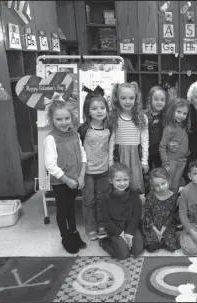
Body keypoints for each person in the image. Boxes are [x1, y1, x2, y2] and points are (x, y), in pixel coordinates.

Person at [44, 98, 87, 254]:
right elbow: (50, 165)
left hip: (74, 181)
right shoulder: (51, 139)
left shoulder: (75, 135)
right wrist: (66, 180)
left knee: (71, 209)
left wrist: (81, 176)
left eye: (66, 118)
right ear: (52, 119)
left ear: (72, 118)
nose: (63, 122)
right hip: (61, 183)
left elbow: (83, 156)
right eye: (58, 119)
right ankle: (65, 237)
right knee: (63, 210)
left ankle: (74, 233)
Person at [77, 91, 112, 241]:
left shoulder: (109, 127)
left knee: (102, 199)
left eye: (102, 108)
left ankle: (102, 225)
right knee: (88, 200)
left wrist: (111, 165)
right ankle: (90, 227)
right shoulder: (84, 129)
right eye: (94, 108)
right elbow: (79, 150)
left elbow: (110, 147)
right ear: (88, 112)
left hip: (103, 171)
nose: (99, 111)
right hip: (88, 172)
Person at [109, 82, 149, 194]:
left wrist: (144, 161)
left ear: (136, 98)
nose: (127, 101)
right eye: (123, 98)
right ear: (117, 98)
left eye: (131, 98)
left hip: (135, 155)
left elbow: (145, 140)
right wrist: (110, 161)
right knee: (119, 185)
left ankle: (135, 209)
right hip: (119, 155)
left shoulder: (142, 117)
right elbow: (111, 140)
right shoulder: (114, 116)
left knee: (134, 185)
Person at [99, 163, 144, 260]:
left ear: (129, 179)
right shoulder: (105, 197)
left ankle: (130, 238)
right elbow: (106, 219)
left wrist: (130, 232)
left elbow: (137, 215)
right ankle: (104, 241)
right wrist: (120, 233)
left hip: (130, 225)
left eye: (125, 180)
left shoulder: (134, 194)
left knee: (137, 250)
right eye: (118, 180)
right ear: (111, 180)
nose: (122, 183)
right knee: (123, 255)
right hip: (115, 228)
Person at [142, 168, 180, 252]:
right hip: (153, 225)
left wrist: (162, 230)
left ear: (168, 181)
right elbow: (147, 215)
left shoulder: (173, 196)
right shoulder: (151, 196)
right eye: (157, 186)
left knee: (173, 246)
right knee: (151, 247)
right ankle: (157, 240)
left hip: (166, 225)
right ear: (153, 186)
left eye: (163, 183)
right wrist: (156, 230)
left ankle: (164, 239)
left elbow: (171, 215)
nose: (161, 187)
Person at [159, 98, 190, 194]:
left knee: (176, 185)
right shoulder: (169, 128)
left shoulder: (184, 127)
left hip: (182, 161)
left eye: (184, 113)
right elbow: (162, 146)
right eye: (179, 112)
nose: (181, 115)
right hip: (171, 162)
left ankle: (172, 205)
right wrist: (166, 164)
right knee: (168, 184)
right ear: (172, 111)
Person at [145, 85, 168, 171]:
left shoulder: (166, 117)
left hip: (160, 153)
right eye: (156, 99)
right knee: (146, 175)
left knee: (160, 174)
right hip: (146, 153)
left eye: (162, 100)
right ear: (150, 99)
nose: (159, 102)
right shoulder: (144, 115)